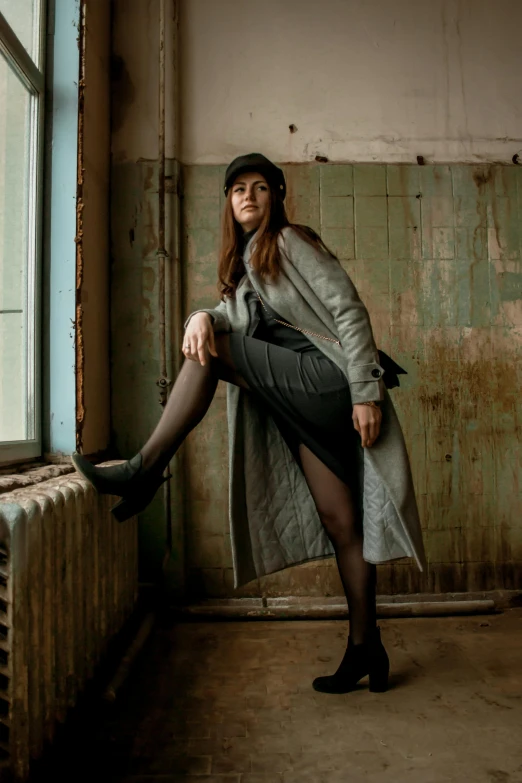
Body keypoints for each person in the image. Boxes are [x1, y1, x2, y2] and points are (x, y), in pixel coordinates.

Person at [73, 152, 426, 695]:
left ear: (276, 196)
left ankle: (146, 468)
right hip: (301, 401)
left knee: (212, 350)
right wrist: (200, 315)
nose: (249, 197)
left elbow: (349, 309)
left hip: (328, 383)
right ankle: (365, 647)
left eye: (261, 187)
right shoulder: (242, 269)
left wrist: (365, 393)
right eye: (239, 188)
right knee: (342, 525)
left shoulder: (290, 242)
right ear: (228, 201)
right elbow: (228, 318)